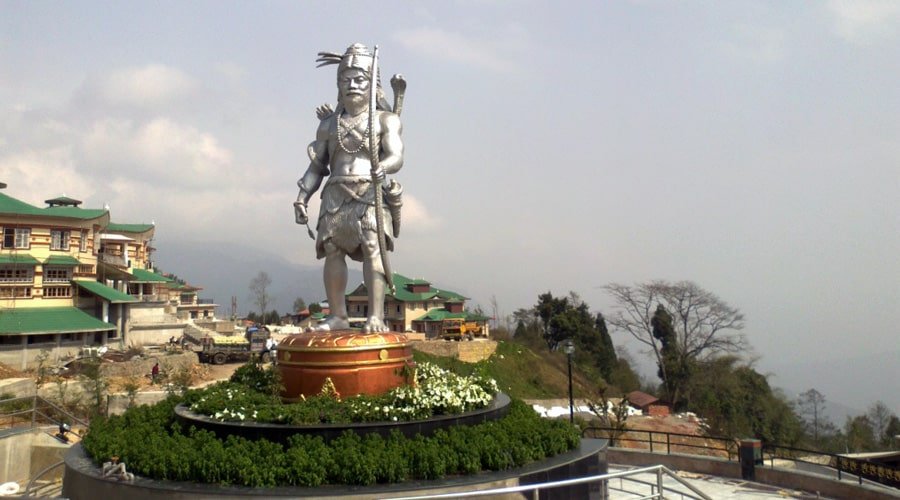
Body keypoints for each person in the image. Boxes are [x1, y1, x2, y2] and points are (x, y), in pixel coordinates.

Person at [294, 43, 404, 333]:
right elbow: (318, 166)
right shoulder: (329, 125)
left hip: (369, 192)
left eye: (360, 79)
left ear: (372, 85)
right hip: (335, 194)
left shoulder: (385, 120)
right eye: (346, 79)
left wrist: (385, 166)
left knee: (372, 248)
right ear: (338, 84)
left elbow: (396, 155)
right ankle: (338, 316)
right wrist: (302, 197)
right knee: (332, 250)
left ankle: (376, 316)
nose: (352, 85)